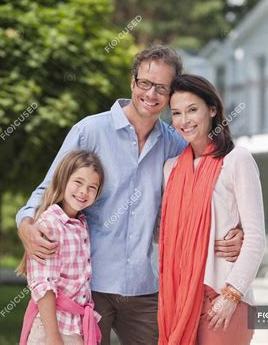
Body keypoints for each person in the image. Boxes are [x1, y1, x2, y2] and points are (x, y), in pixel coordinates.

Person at [16, 46, 245, 345]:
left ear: (170, 94)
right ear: (132, 82)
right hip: (89, 286)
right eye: (145, 83)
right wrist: (25, 225)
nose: (151, 94)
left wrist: (235, 229)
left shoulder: (176, 144)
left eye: (161, 88)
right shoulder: (90, 131)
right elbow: (49, 188)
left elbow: (210, 189)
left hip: (145, 288)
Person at [158, 74, 266, 345]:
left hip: (224, 298)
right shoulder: (171, 169)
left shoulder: (236, 160)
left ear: (213, 110)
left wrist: (231, 296)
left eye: (193, 110)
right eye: (177, 113)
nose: (185, 120)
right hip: (181, 299)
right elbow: (166, 234)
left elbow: (256, 238)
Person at [18, 150, 104, 345]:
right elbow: (43, 285)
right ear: (63, 180)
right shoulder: (49, 225)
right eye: (78, 182)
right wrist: (53, 337)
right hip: (53, 330)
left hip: (75, 328)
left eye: (92, 187)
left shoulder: (80, 223)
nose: (84, 191)